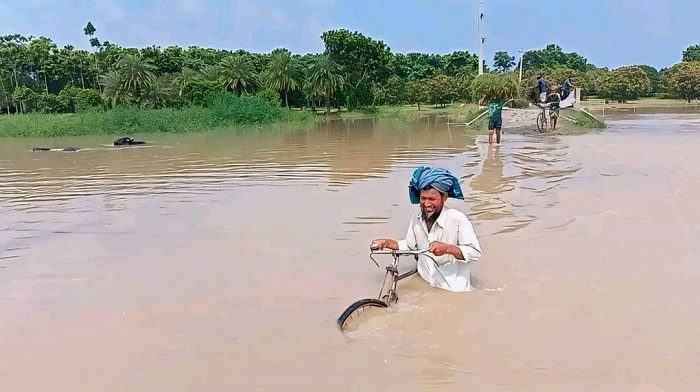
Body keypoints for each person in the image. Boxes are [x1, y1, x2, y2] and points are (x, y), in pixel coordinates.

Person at [370, 166, 483, 292]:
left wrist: (447, 248)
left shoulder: (457, 219)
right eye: (423, 198)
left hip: (453, 290)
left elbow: (475, 253)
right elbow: (410, 246)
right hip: (426, 282)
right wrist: (386, 243)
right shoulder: (416, 218)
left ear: (444, 197)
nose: (427, 204)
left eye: (432, 199)